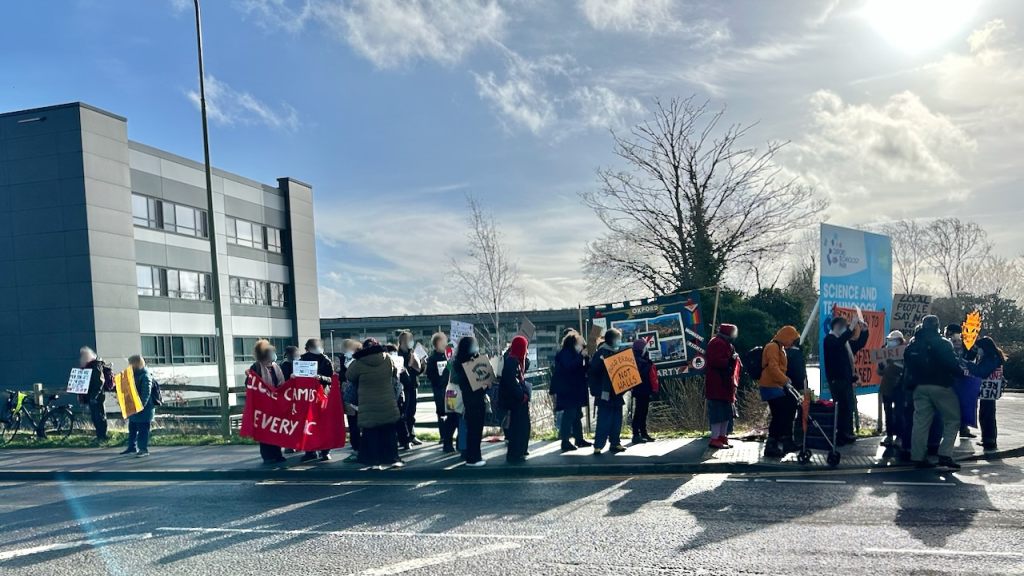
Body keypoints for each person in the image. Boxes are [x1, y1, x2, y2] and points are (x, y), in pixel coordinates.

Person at [906, 315, 963, 470]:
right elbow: (952, 363)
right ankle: (944, 454)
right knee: (952, 419)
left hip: (919, 387)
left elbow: (908, 366)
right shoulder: (943, 343)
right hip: (941, 386)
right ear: (938, 326)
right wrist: (961, 373)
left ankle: (918, 456)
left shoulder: (913, 344)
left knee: (920, 423)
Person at [346, 338, 403, 470]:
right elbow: (394, 373)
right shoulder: (387, 358)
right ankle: (392, 458)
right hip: (387, 402)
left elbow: (349, 375)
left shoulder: (359, 362)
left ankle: (374, 461)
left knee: (371, 433)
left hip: (368, 404)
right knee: (389, 431)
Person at [823, 315, 869, 445]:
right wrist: (851, 328)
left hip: (846, 380)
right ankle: (841, 434)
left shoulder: (845, 343)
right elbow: (838, 344)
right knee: (842, 408)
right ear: (837, 327)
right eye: (845, 327)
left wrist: (865, 331)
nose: (847, 329)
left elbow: (858, 344)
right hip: (837, 380)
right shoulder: (830, 340)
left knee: (849, 407)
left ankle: (847, 432)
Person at [760, 325, 801, 457]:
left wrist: (784, 380)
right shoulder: (772, 347)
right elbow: (773, 367)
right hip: (770, 385)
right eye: (792, 339)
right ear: (786, 337)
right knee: (780, 414)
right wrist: (785, 380)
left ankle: (785, 440)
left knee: (786, 409)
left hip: (776, 385)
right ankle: (773, 444)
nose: (792, 342)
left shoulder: (781, 347)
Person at [589, 329, 627, 455]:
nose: (619, 341)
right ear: (612, 339)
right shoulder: (601, 353)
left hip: (617, 392)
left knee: (617, 419)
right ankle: (598, 445)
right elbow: (593, 371)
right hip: (604, 393)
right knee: (604, 419)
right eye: (618, 338)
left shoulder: (618, 353)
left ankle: (615, 443)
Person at [297, 338, 336, 463]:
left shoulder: (325, 360)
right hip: (307, 397)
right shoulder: (301, 360)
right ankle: (310, 451)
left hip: (322, 397)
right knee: (308, 425)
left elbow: (331, 379)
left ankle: (325, 451)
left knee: (323, 425)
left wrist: (319, 378)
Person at [552, 331, 591, 452]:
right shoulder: (565, 353)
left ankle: (579, 438)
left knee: (577, 415)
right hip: (568, 390)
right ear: (574, 343)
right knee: (569, 415)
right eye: (580, 343)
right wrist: (580, 356)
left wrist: (586, 358)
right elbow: (569, 366)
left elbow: (581, 368)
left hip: (575, 389)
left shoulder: (574, 353)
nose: (582, 345)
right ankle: (565, 441)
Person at [250, 339, 286, 465]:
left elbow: (282, 384)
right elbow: (250, 385)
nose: (273, 354)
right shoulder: (256, 367)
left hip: (276, 404)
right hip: (263, 406)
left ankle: (277, 454)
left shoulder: (276, 367)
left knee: (276, 430)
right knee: (265, 431)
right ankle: (268, 456)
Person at [453, 336, 487, 467]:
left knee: (473, 429)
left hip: (470, 400)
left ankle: (473, 456)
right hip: (475, 400)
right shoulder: (467, 364)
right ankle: (474, 458)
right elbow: (476, 384)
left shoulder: (460, 362)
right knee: (475, 430)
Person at [967, 336, 1006, 451]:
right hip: (988, 391)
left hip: (988, 392)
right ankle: (987, 439)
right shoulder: (991, 356)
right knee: (986, 414)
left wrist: (969, 365)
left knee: (987, 415)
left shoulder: (990, 358)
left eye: (979, 348)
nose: (978, 350)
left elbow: (982, 372)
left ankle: (989, 440)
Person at [705, 324, 740, 450]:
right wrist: (730, 360)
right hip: (717, 383)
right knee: (718, 413)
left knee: (726, 413)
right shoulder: (717, 343)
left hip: (725, 384)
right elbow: (715, 361)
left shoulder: (726, 343)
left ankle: (722, 436)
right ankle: (715, 438)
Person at [500, 335, 532, 463]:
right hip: (516, 402)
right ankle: (515, 454)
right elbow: (512, 382)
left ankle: (519, 451)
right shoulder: (512, 361)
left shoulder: (514, 360)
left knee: (521, 427)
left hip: (516, 401)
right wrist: (522, 395)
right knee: (518, 428)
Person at [425, 333, 458, 453]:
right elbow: (432, 376)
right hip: (440, 391)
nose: (446, 343)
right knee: (444, 415)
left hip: (451, 391)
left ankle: (452, 439)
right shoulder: (432, 359)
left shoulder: (449, 355)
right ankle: (444, 438)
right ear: (438, 343)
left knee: (453, 414)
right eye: (444, 341)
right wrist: (448, 367)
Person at [945, 323, 977, 440]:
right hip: (950, 377)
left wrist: (970, 345)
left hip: (962, 376)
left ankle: (964, 428)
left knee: (962, 403)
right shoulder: (945, 343)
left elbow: (971, 356)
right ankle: (951, 429)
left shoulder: (965, 344)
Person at [120, 355, 155, 457]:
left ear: (136, 363)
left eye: (131, 363)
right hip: (134, 407)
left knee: (143, 429)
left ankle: (143, 450)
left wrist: (140, 406)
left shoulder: (145, 375)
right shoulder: (133, 374)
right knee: (132, 428)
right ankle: (132, 447)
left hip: (144, 409)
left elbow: (146, 394)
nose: (129, 365)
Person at [877, 330, 906, 448]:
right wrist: (883, 365)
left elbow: (906, 369)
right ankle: (889, 435)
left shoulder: (905, 352)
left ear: (899, 341)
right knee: (887, 411)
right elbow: (879, 372)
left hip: (900, 386)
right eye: (889, 340)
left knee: (899, 412)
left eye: (893, 340)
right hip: (887, 386)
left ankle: (899, 437)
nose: (891, 342)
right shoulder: (884, 351)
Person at [396, 331, 424, 449]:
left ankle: (412, 435)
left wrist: (422, 364)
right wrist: (409, 364)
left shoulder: (412, 353)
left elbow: (418, 371)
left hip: (413, 385)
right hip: (404, 387)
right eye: (409, 339)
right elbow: (400, 371)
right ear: (403, 341)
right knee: (404, 412)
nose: (411, 341)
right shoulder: (398, 355)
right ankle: (404, 438)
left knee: (412, 412)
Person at [77, 347, 109, 442]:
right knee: (95, 416)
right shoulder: (89, 367)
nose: (81, 359)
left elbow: (99, 382)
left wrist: (94, 396)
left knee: (99, 416)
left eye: (83, 356)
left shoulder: (95, 366)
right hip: (92, 396)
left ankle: (102, 436)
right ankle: (100, 435)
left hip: (96, 397)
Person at [338, 339, 362, 463]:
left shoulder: (361, 359)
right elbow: (342, 375)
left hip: (358, 394)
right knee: (353, 423)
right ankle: (356, 447)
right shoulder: (343, 359)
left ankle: (359, 448)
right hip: (351, 394)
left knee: (358, 423)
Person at [630, 339, 655, 444]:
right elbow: (642, 373)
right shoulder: (641, 361)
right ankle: (637, 434)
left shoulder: (636, 359)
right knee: (640, 411)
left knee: (642, 411)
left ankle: (642, 433)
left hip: (640, 389)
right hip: (642, 389)